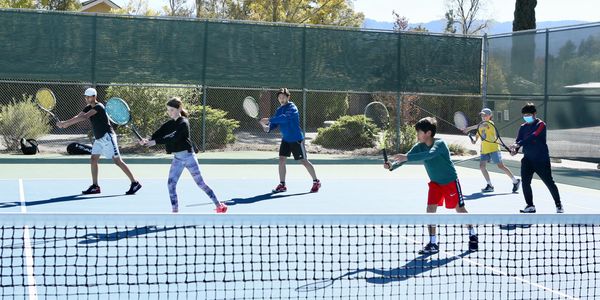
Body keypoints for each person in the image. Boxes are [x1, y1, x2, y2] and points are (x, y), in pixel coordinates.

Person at [386, 117, 477, 254]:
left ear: (428, 133)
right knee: (430, 209)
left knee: (460, 209)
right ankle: (433, 243)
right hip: (435, 184)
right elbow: (406, 158)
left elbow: (430, 154)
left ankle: (472, 234)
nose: (417, 135)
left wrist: (406, 157)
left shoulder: (440, 144)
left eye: (419, 132)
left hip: (450, 182)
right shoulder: (419, 146)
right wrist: (392, 166)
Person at [139, 97, 227, 213]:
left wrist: (154, 142)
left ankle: (218, 205)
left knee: (201, 184)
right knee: (171, 185)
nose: (169, 112)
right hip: (177, 159)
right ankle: (175, 211)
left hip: (189, 157)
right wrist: (147, 140)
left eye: (171, 110)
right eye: (168, 110)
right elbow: (158, 133)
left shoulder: (184, 123)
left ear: (179, 108)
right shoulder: (170, 124)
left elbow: (174, 137)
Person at [57, 88, 142, 195]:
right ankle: (95, 186)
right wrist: (65, 123)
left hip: (108, 137)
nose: (86, 99)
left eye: (88, 97)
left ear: (94, 97)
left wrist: (66, 123)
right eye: (85, 97)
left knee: (117, 161)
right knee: (93, 159)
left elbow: (85, 117)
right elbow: (78, 116)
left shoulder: (99, 107)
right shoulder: (88, 107)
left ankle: (135, 183)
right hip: (98, 139)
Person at [260, 88, 321, 193]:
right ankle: (282, 184)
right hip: (286, 140)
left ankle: (316, 181)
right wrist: (268, 127)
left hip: (296, 139)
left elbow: (285, 118)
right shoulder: (279, 109)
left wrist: (269, 119)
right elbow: (274, 124)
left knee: (303, 161)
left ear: (288, 97)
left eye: (283, 97)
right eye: (279, 98)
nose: (281, 99)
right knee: (281, 160)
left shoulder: (292, 108)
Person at [509, 103, 563, 213]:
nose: (526, 116)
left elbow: (533, 135)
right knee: (525, 183)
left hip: (541, 160)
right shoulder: (523, 127)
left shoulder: (541, 124)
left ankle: (558, 205)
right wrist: (515, 150)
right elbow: (518, 140)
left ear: (534, 114)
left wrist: (518, 144)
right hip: (527, 160)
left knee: (549, 182)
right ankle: (530, 206)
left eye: (528, 114)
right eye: (524, 115)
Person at [463, 108, 520, 193]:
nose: (483, 116)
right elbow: (476, 140)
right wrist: (473, 140)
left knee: (501, 166)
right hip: (484, 150)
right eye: (482, 115)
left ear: (490, 116)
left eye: (485, 115)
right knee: (482, 166)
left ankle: (515, 181)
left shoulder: (489, 123)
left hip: (493, 149)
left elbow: (481, 125)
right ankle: (489, 185)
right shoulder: (480, 127)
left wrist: (468, 128)